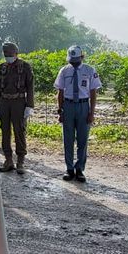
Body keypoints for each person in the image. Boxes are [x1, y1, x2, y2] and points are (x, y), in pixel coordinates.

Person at [55, 45, 102, 182]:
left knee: (82, 139)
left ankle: (80, 169)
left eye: (76, 60)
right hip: (68, 106)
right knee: (68, 139)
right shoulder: (64, 71)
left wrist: (91, 113)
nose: (74, 63)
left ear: (82, 57)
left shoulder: (89, 70)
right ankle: (69, 169)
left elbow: (93, 93)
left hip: (83, 106)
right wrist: (60, 110)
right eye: (72, 60)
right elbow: (60, 91)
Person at [0, 41, 35, 174]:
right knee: (5, 131)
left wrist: (29, 105)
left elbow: (30, 87)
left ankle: (20, 161)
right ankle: (8, 160)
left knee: (19, 131)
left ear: (16, 53)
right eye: (5, 54)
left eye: (10, 54)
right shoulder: (1, 68)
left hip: (19, 101)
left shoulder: (25, 67)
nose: (7, 56)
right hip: (4, 102)